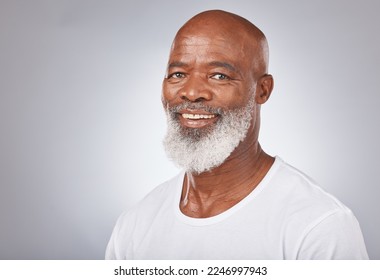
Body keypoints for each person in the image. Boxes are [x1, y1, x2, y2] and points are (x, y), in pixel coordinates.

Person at [106, 10, 368, 259]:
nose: (192, 91)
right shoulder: (134, 226)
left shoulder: (318, 226)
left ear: (262, 90)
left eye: (219, 75)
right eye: (177, 74)